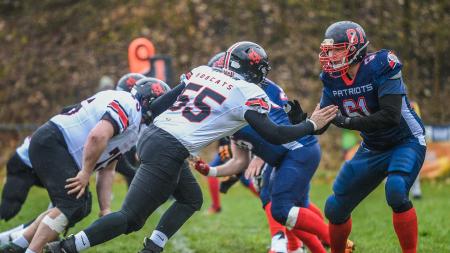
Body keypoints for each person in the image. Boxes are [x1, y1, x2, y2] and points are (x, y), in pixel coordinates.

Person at [45, 41, 337, 253]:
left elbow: (158, 105)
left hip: (156, 138)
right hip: (168, 148)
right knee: (130, 218)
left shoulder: (201, 72)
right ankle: (66, 248)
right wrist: (311, 124)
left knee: (190, 198)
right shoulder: (247, 91)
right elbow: (273, 134)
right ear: (254, 70)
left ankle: (152, 248)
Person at [0, 78, 175, 253]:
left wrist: (105, 208)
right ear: (148, 101)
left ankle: (17, 246)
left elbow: (108, 168)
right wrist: (85, 172)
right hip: (55, 142)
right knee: (71, 202)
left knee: (80, 206)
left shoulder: (137, 122)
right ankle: (29, 250)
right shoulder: (129, 105)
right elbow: (97, 136)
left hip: (59, 146)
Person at [192, 71, 332, 253]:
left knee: (281, 208)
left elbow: (274, 130)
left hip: (298, 151)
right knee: (292, 208)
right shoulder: (230, 115)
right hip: (284, 157)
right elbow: (239, 162)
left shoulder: (248, 102)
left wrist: (259, 156)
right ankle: (304, 247)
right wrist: (210, 171)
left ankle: (334, 242)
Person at [317, 21, 426, 253]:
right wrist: (305, 122)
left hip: (405, 141)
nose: (332, 55)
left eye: (338, 49)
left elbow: (390, 116)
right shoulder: (331, 79)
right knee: (335, 207)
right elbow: (322, 121)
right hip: (373, 146)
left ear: (355, 48)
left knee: (396, 190)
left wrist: (347, 122)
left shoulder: (381, 65)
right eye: (330, 50)